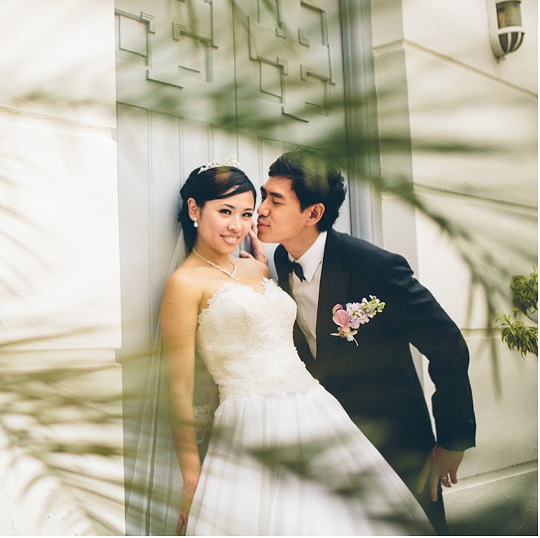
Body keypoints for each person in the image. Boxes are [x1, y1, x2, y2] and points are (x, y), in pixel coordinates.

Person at [159, 157, 432, 535]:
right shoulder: (184, 284)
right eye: (225, 211)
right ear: (194, 209)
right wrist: (191, 477)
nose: (238, 225)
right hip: (249, 421)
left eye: (246, 213)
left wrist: (252, 268)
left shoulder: (260, 267)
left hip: (314, 408)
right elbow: (179, 388)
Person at [255, 150, 477, 535]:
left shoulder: (376, 267)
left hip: (395, 442)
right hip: (326, 445)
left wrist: (453, 439)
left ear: (313, 213)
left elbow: (448, 345)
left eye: (276, 200)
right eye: (264, 195)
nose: (261, 210)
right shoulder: (278, 259)